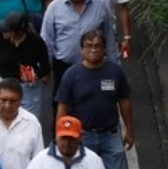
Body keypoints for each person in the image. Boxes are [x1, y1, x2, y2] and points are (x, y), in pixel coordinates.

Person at [53, 28, 133, 168]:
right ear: (81, 50)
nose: (93, 50)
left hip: (111, 134)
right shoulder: (71, 75)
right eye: (89, 46)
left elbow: (124, 102)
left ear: (104, 49)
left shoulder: (115, 71)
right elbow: (62, 107)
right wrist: (60, 136)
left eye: (97, 46)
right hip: (83, 136)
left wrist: (130, 131)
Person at [0, 79, 45, 169]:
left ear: (20, 101)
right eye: (3, 100)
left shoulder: (32, 123)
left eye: (13, 101)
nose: (8, 105)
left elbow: (39, 160)